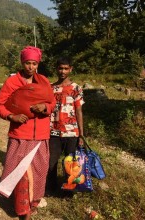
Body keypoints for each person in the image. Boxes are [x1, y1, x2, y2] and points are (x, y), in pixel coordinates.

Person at [0, 46, 55, 219]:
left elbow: (52, 103)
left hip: (41, 136)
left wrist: (45, 107)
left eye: (34, 63)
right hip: (20, 136)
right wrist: (12, 116)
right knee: (21, 175)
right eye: (27, 63)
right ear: (22, 62)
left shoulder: (43, 81)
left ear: (38, 64)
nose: (30, 67)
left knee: (38, 173)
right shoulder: (12, 82)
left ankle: (33, 202)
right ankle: (23, 210)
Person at [45, 57, 85, 194]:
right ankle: (50, 189)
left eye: (66, 68)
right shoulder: (50, 88)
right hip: (54, 132)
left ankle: (70, 189)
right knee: (51, 162)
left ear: (71, 69)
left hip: (72, 132)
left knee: (71, 163)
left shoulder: (76, 88)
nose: (63, 71)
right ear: (56, 69)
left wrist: (81, 134)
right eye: (60, 68)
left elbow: (79, 111)